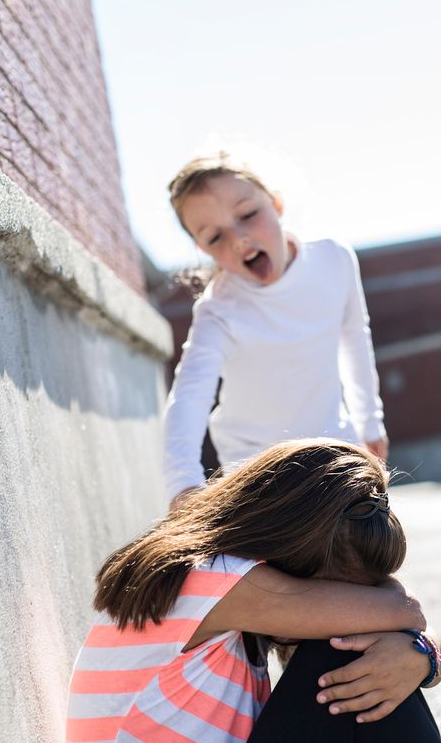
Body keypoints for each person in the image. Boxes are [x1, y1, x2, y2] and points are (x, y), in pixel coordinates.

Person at [66, 439, 441, 743]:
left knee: (365, 666)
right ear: (294, 547)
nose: (351, 605)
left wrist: (421, 656)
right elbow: (405, 610)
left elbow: (404, 618)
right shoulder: (211, 578)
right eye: (343, 592)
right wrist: (416, 644)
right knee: (344, 652)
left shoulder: (216, 579)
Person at [163, 153, 388, 511]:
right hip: (255, 469)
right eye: (215, 236)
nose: (239, 240)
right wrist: (183, 483)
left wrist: (369, 421)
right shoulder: (218, 310)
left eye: (248, 215)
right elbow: (189, 396)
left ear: (276, 203)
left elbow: (354, 339)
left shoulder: (334, 260)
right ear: (202, 249)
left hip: (334, 448)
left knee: (365, 549)